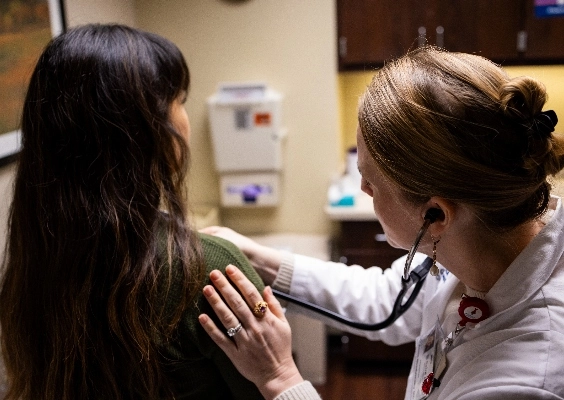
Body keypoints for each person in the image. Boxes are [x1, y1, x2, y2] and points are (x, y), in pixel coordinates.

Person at [198, 46, 564, 400]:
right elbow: (391, 300)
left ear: (435, 215)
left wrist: (279, 378)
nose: (361, 189)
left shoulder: (528, 379)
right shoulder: (484, 236)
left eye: (370, 181)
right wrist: (258, 258)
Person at [0, 24, 265, 400]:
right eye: (180, 99)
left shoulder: (31, 264)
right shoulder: (206, 271)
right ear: (146, 129)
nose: (185, 118)